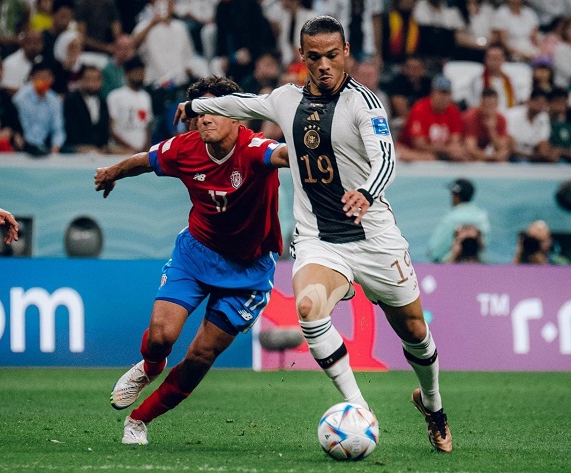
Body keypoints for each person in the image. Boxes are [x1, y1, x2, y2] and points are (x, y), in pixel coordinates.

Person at [174, 15, 453, 453]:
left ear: (346, 53)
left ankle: (433, 405)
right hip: (319, 239)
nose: (324, 65)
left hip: (374, 237)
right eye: (315, 57)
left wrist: (367, 192)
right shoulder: (286, 99)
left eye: (332, 55)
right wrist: (196, 107)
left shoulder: (365, 104)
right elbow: (243, 103)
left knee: (415, 331)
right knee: (308, 308)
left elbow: (386, 159)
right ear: (302, 56)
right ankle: (359, 408)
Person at [98, 76, 289, 445]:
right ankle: (150, 367)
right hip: (196, 254)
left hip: (248, 271)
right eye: (199, 111)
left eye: (214, 109)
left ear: (237, 115)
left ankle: (138, 420)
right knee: (160, 337)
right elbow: (145, 160)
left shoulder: (255, 150)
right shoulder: (184, 148)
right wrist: (112, 172)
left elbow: (282, 155)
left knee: (200, 356)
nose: (205, 118)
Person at [396, 75, 466, 162]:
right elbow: (419, 144)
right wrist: (447, 150)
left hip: (438, 153)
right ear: (433, 93)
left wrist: (453, 150)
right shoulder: (420, 108)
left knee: (462, 155)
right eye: (441, 93)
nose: (443, 97)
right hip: (412, 150)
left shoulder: (453, 111)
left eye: (447, 94)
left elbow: (455, 140)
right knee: (426, 157)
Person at [428, 178, 491, 263]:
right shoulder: (482, 218)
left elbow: (434, 252)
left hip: (451, 266)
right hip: (479, 266)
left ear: (455, 194)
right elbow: (484, 249)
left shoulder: (450, 219)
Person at [13, 61, 65, 156]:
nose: (43, 81)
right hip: (22, 147)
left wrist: (56, 145)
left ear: (52, 79)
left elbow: (58, 129)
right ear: (32, 78)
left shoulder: (55, 101)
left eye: (46, 78)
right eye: (39, 77)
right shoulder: (20, 98)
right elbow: (13, 123)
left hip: (44, 147)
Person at [63, 65, 109, 153]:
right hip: (75, 147)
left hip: (98, 149)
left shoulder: (102, 102)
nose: (91, 83)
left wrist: (102, 147)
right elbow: (70, 128)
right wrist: (86, 148)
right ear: (80, 80)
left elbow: (104, 129)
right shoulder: (71, 100)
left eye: (95, 80)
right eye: (88, 79)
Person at [462, 87, 512, 162]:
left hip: (485, 153)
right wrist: (491, 157)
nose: (490, 109)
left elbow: (502, 147)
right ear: (481, 103)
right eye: (487, 105)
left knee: (504, 157)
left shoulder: (501, 119)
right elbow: (470, 149)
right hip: (469, 154)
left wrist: (492, 130)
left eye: (493, 105)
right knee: (474, 160)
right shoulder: (471, 118)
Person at [504, 88, 553, 162]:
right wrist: (534, 156)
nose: (540, 106)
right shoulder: (513, 115)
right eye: (538, 102)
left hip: (534, 157)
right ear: (529, 101)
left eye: (543, 103)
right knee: (523, 163)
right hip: (514, 157)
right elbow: (512, 148)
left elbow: (543, 147)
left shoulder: (544, 117)